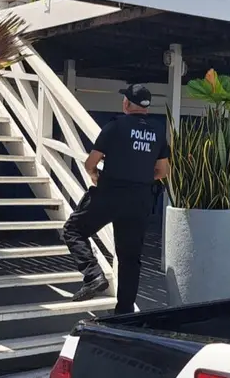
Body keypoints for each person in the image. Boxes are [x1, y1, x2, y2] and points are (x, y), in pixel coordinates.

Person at [62, 83, 170, 314]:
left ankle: (93, 275)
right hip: (140, 200)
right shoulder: (158, 130)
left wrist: (95, 175)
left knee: (73, 230)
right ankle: (124, 312)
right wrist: (140, 177)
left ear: (127, 103)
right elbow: (162, 171)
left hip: (110, 194)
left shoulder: (115, 126)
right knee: (130, 258)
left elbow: (91, 163)